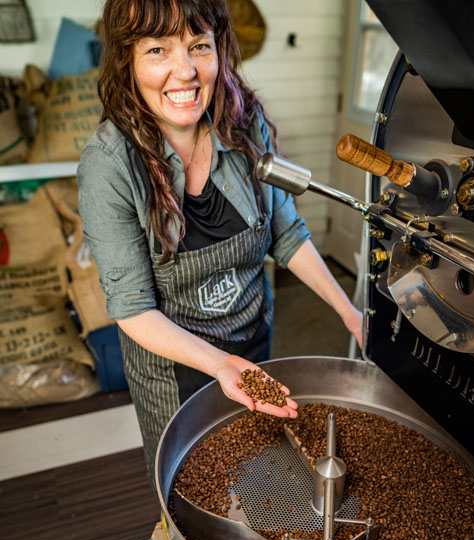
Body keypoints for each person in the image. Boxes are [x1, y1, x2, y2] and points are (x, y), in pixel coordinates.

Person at [77, 0, 362, 484]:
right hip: (176, 378)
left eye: (198, 46)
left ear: (220, 49)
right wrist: (221, 366)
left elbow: (286, 234)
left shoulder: (244, 123)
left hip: (254, 348)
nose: (184, 72)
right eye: (158, 50)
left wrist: (351, 313)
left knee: (262, 483)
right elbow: (132, 308)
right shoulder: (109, 165)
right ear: (127, 61)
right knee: (196, 496)